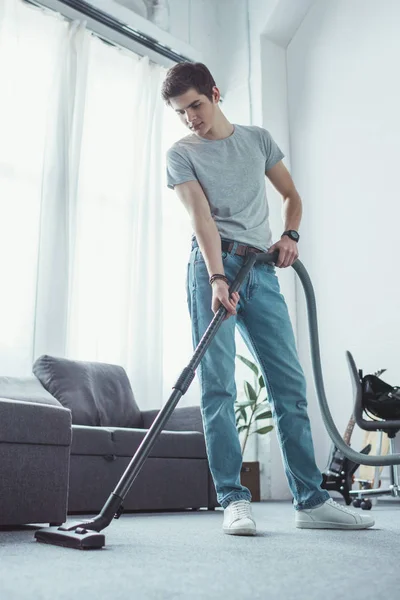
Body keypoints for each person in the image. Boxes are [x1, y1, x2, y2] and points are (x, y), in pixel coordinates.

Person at [161, 62, 374, 535]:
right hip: (212, 270)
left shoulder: (257, 140)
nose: (191, 118)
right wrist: (217, 278)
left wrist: (290, 234)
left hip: (262, 272)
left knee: (289, 385)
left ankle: (311, 501)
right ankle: (233, 500)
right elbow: (202, 220)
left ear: (215, 93)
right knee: (218, 387)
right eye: (181, 112)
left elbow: (292, 195)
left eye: (195, 105)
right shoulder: (181, 154)